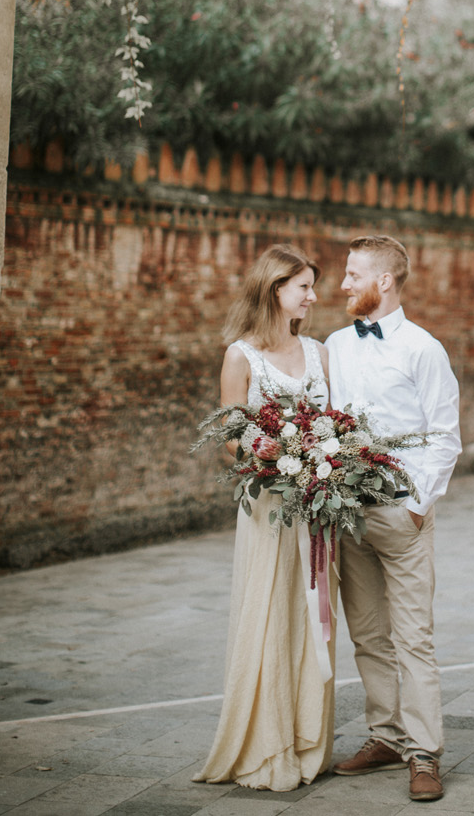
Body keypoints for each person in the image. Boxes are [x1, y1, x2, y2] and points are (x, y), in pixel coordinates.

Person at [194, 243, 336, 792]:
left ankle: (308, 740)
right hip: (269, 508)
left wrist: (326, 465)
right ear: (276, 289)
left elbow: (337, 424)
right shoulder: (241, 356)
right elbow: (230, 441)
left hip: (317, 508)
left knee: (311, 618)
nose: (313, 296)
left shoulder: (320, 352)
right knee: (270, 611)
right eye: (304, 286)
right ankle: (264, 744)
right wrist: (281, 461)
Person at [326, 234, 461, 804]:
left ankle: (424, 753)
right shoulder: (334, 344)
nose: (343, 284)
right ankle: (385, 736)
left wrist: (416, 507)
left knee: (414, 640)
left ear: (384, 281)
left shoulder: (424, 350)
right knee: (367, 635)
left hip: (401, 517)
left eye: (354, 274)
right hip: (348, 516)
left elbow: (444, 438)